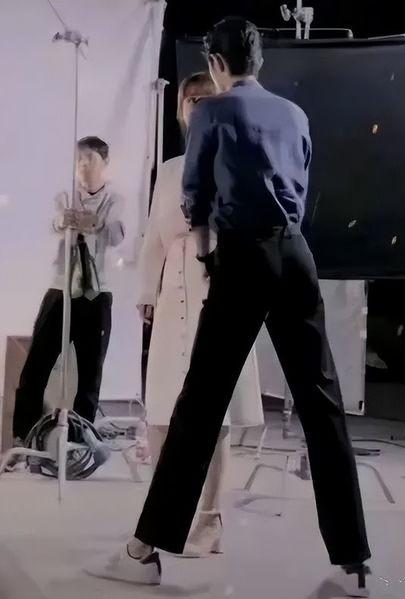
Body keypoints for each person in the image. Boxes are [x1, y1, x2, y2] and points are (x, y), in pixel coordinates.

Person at [88, 17, 371, 596]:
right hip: (296, 255)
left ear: (216, 64)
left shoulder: (212, 113)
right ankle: (355, 561)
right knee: (322, 405)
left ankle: (144, 551)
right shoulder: (295, 115)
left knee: (199, 405)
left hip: (242, 256)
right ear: (258, 62)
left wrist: (210, 251)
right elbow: (301, 186)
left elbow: (195, 199)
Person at [136, 71, 264, 557]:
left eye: (205, 98)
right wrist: (147, 291)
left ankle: (210, 519)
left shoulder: (238, 159)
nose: (196, 105)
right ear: (181, 110)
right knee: (162, 408)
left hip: (221, 284)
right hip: (174, 288)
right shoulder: (170, 170)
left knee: (215, 409)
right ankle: (162, 515)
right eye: (190, 99)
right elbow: (153, 237)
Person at [13, 136, 125, 443]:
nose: (83, 165)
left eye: (90, 159)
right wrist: (61, 221)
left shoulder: (115, 199)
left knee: (90, 373)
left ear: (105, 162)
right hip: (61, 288)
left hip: (97, 292)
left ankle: (80, 441)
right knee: (36, 365)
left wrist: (95, 222)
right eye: (79, 159)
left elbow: (117, 234)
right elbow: (46, 226)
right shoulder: (64, 195)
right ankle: (23, 437)